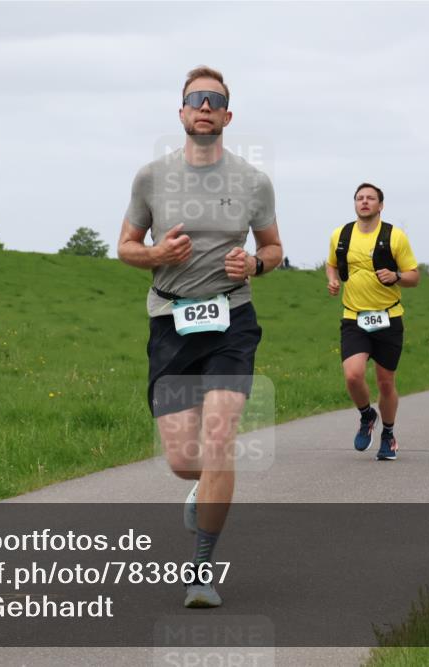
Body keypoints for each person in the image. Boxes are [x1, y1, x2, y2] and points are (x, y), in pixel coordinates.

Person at [118, 66, 282, 608]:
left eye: (214, 100)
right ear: (182, 113)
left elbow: (274, 248)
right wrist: (156, 253)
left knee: (219, 440)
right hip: (171, 321)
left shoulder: (253, 182)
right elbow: (125, 247)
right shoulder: (151, 178)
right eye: (196, 99)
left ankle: (202, 570)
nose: (205, 107)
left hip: (232, 320)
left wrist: (254, 264)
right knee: (185, 459)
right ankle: (201, 486)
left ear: (228, 116)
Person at [325, 183, 419, 461]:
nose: (364, 202)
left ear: (381, 205)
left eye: (371, 198)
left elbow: (414, 276)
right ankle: (367, 415)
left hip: (388, 317)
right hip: (354, 317)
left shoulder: (395, 236)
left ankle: (388, 434)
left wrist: (396, 276)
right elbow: (331, 263)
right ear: (354, 203)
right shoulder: (341, 235)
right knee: (353, 375)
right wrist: (332, 279)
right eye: (360, 198)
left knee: (385, 382)